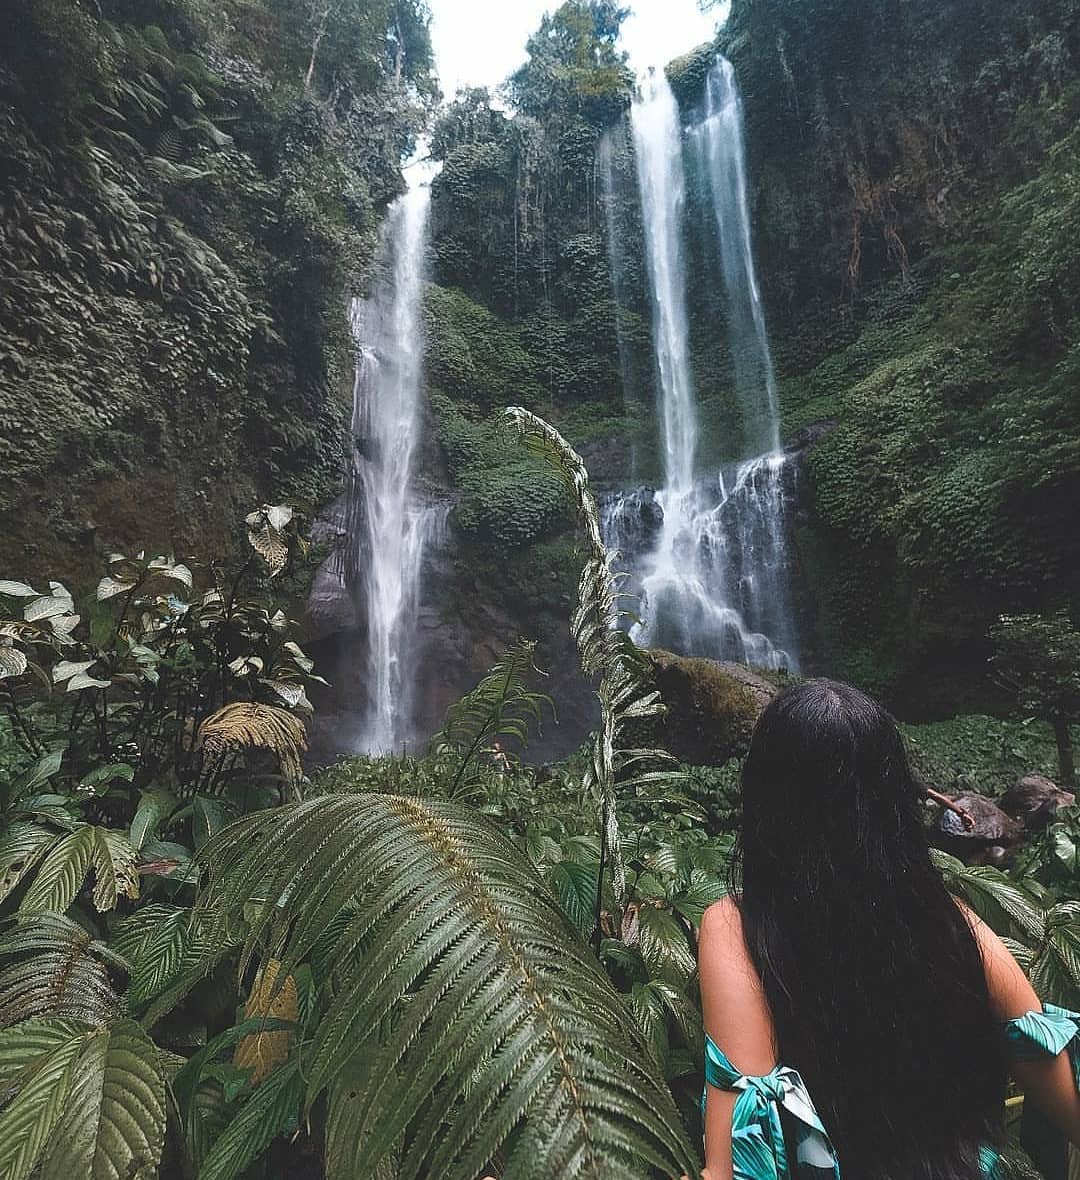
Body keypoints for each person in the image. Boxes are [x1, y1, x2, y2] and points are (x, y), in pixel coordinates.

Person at [699, 679, 1080, 1180]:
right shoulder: (946, 917)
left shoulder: (736, 927)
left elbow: (740, 1155)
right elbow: (1037, 1044)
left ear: (766, 799)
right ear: (895, 801)